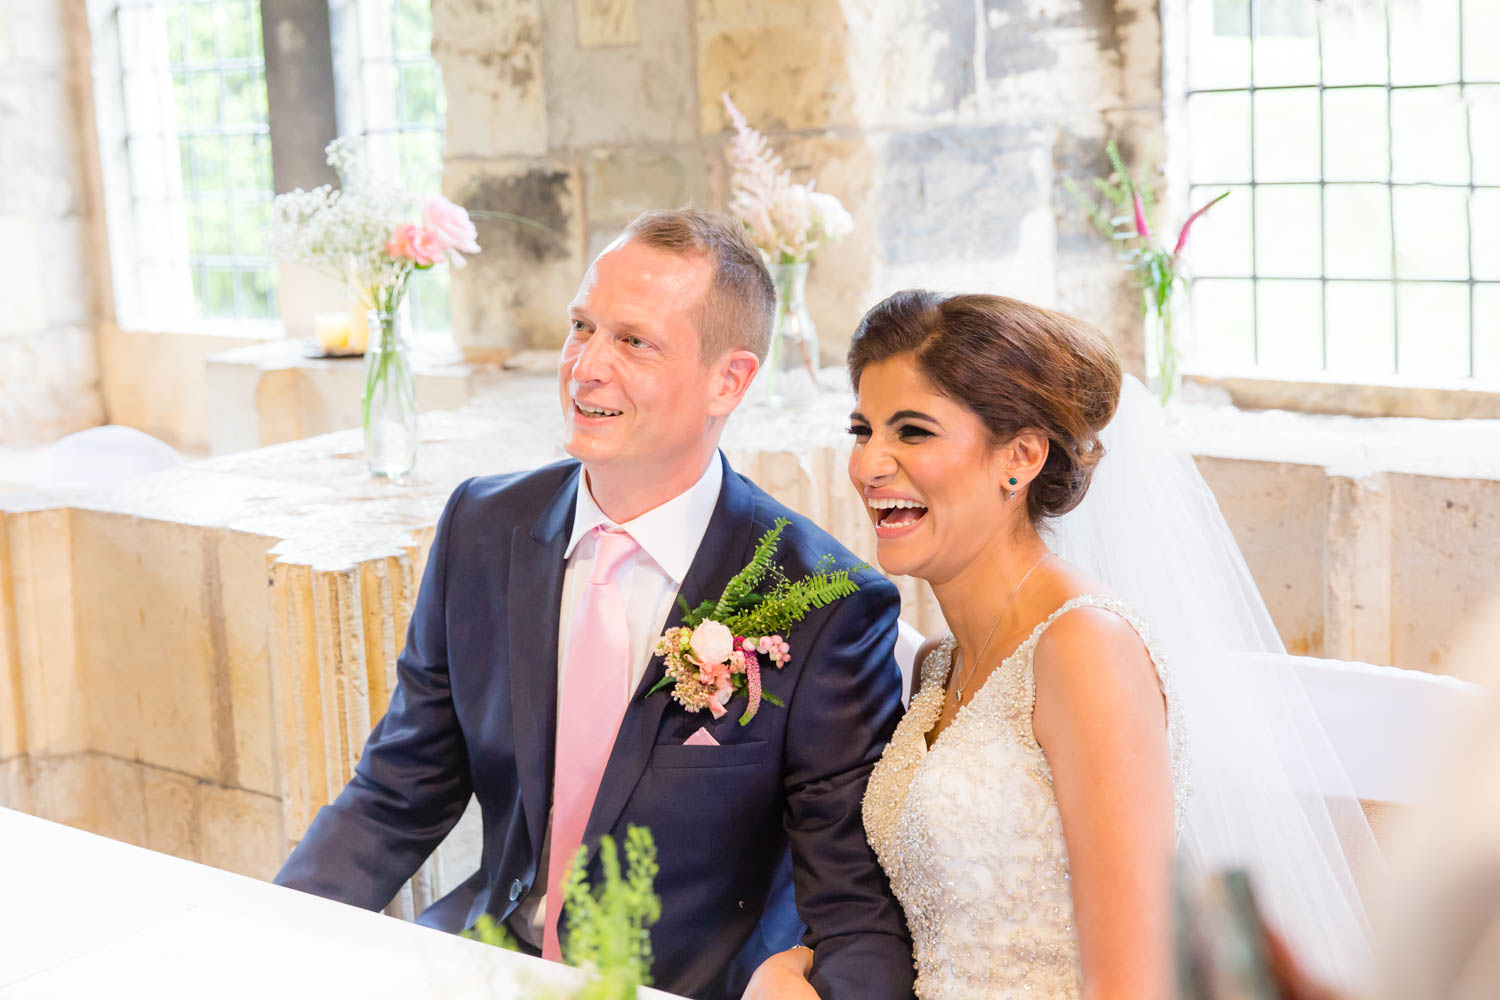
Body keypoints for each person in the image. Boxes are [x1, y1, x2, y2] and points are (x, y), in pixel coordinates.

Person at [274, 209, 915, 1000]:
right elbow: (397, 792)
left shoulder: (821, 602)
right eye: (582, 327)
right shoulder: (483, 525)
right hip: (486, 958)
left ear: (731, 380)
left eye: (633, 341)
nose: (585, 368)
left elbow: (851, 896)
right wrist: (271, 939)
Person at [748, 290, 1377, 999]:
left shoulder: (1086, 650)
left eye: (913, 432)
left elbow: (1134, 983)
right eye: (863, 430)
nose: (869, 465)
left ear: (1018, 458)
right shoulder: (938, 668)